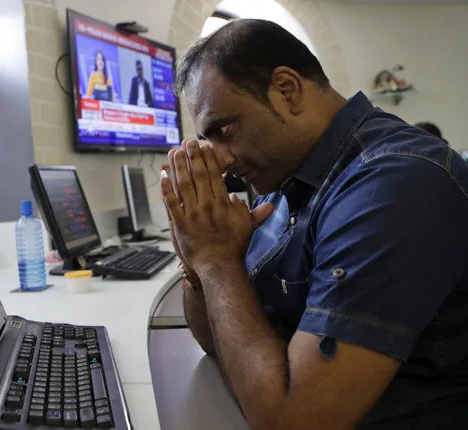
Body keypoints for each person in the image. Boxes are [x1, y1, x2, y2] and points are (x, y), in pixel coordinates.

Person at [161, 18, 468, 430]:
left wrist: (216, 259)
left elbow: (295, 421)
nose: (220, 159)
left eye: (224, 129)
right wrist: (197, 261)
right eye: (207, 140)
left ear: (286, 90)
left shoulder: (395, 183)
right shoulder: (284, 176)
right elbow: (217, 340)